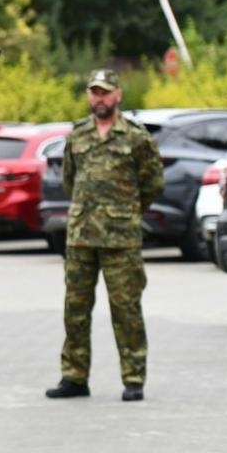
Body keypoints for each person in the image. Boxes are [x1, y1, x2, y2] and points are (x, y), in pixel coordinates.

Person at [47, 68, 162, 402]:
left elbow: (153, 183)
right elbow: (70, 180)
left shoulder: (136, 137)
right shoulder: (78, 135)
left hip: (121, 238)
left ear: (118, 95)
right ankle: (74, 376)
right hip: (81, 236)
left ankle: (134, 376)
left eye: (105, 92)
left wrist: (125, 210)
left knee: (126, 309)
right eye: (94, 92)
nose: (100, 98)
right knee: (75, 309)